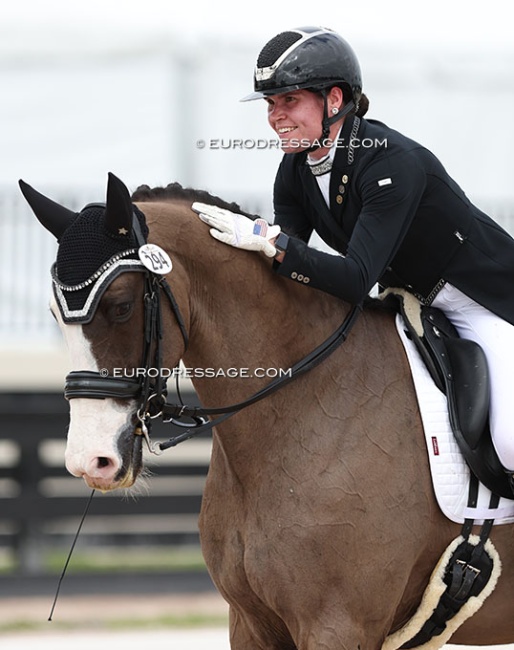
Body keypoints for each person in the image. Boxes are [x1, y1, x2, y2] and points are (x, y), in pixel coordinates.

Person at [192, 26, 514, 492]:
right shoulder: (296, 169)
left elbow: (354, 277)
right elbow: (286, 265)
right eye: (270, 104)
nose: (275, 117)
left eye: (289, 100)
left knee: (507, 440)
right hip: (415, 307)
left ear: (335, 99)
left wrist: (270, 241)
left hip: (486, 303)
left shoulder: (390, 162)